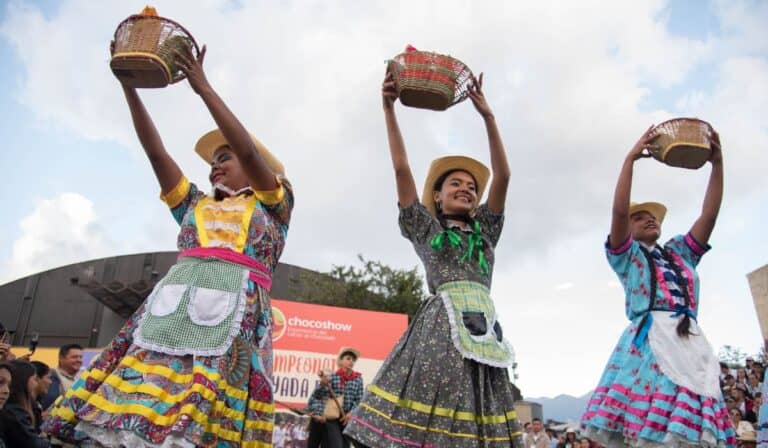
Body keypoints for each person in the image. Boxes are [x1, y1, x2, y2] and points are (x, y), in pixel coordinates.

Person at [42, 42, 294, 447]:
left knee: (206, 417)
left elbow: (246, 146)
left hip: (235, 321)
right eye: (214, 159)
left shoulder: (275, 206)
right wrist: (129, 90)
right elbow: (154, 152)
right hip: (170, 314)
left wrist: (203, 88)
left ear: (256, 167)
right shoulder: (193, 205)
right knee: (138, 401)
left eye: (224, 156)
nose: (215, 163)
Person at [344, 69, 521, 447]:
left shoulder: (485, 232)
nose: (466, 189)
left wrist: (488, 117)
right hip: (440, 328)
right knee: (434, 411)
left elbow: (504, 175)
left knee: (477, 415)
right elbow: (401, 169)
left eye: (472, 187)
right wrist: (388, 108)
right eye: (455, 183)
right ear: (437, 197)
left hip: (485, 331)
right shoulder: (427, 230)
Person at [581, 126, 734, 446]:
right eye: (641, 218)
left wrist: (718, 165)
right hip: (651, 342)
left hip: (691, 343)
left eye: (653, 216)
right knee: (652, 430)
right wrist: (630, 161)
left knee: (689, 431)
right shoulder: (627, 256)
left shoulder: (681, 253)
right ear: (629, 229)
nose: (650, 219)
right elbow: (619, 211)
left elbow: (709, 214)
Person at [0, 361, 50, 447]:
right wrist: (44, 436)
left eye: (9, 385)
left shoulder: (18, 410)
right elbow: (34, 445)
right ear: (23, 380)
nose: (6, 391)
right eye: (34, 379)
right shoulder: (13, 413)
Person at [325, 348, 363, 448]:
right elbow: (322, 396)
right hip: (334, 418)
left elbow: (359, 400)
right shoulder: (332, 377)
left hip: (348, 419)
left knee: (346, 446)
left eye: (353, 360)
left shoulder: (358, 378)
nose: (351, 361)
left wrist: (351, 413)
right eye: (348, 358)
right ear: (341, 361)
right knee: (336, 445)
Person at [39, 344, 83, 411]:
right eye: (74, 357)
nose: (79, 360)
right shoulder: (50, 377)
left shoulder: (80, 380)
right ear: (61, 358)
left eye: (80, 357)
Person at [307, 369, 332, 448]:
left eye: (328, 376)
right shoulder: (318, 388)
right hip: (315, 422)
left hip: (328, 424)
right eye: (324, 376)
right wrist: (314, 413)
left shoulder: (335, 392)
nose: (326, 378)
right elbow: (311, 402)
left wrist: (326, 417)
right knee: (312, 445)